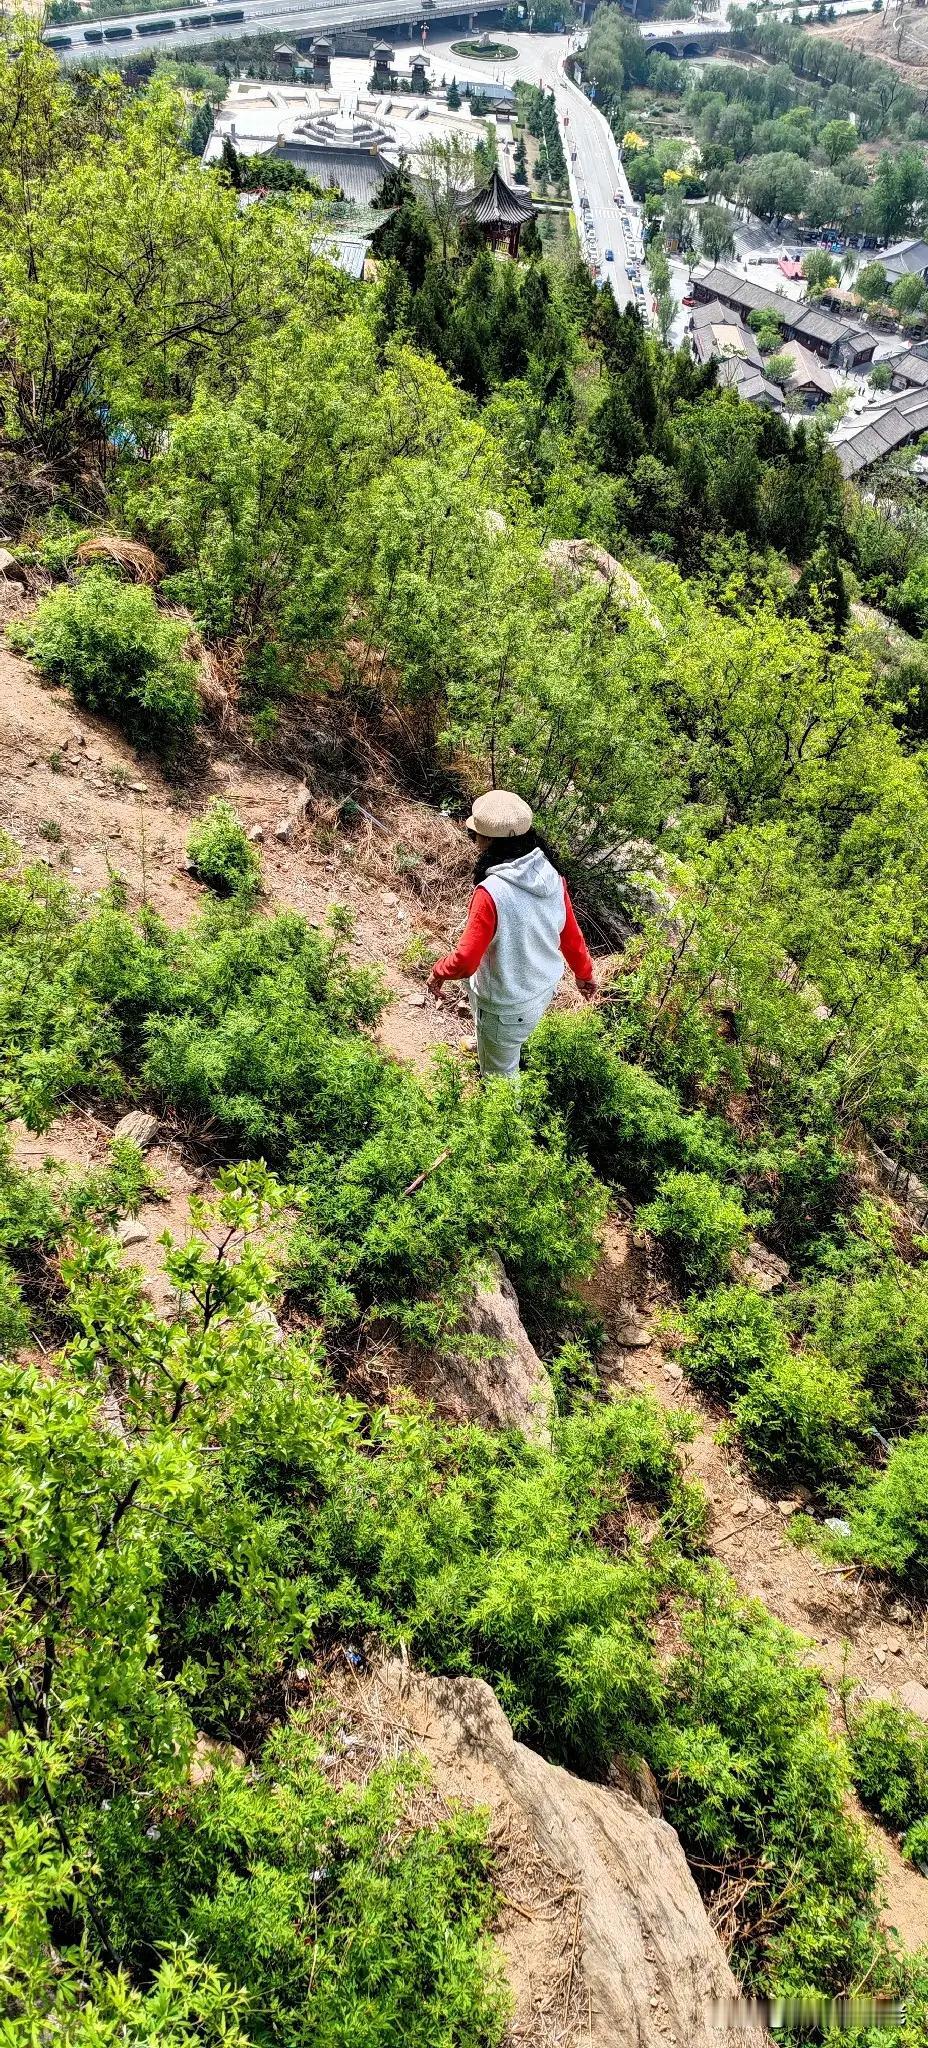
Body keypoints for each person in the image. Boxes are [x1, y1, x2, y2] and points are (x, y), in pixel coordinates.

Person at [427, 790, 596, 1080]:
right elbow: (569, 933)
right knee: (506, 1045)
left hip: (506, 1004)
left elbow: (467, 961)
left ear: (489, 841)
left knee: (501, 1081)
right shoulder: (548, 872)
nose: (474, 840)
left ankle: (507, 1121)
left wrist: (438, 971)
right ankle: (492, 1046)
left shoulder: (491, 893)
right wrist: (584, 974)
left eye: (474, 834)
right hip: (541, 989)